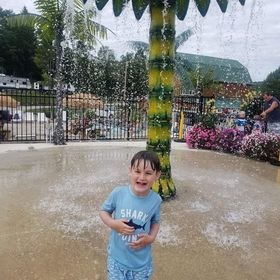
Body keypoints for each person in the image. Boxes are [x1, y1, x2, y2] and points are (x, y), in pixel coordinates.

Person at [100, 150, 162, 280]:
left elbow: (155, 222)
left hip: (141, 264)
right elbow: (103, 211)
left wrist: (151, 238)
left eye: (148, 173)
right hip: (117, 260)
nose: (142, 177)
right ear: (130, 171)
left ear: (157, 175)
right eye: (137, 171)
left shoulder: (156, 200)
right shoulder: (118, 193)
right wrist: (113, 224)